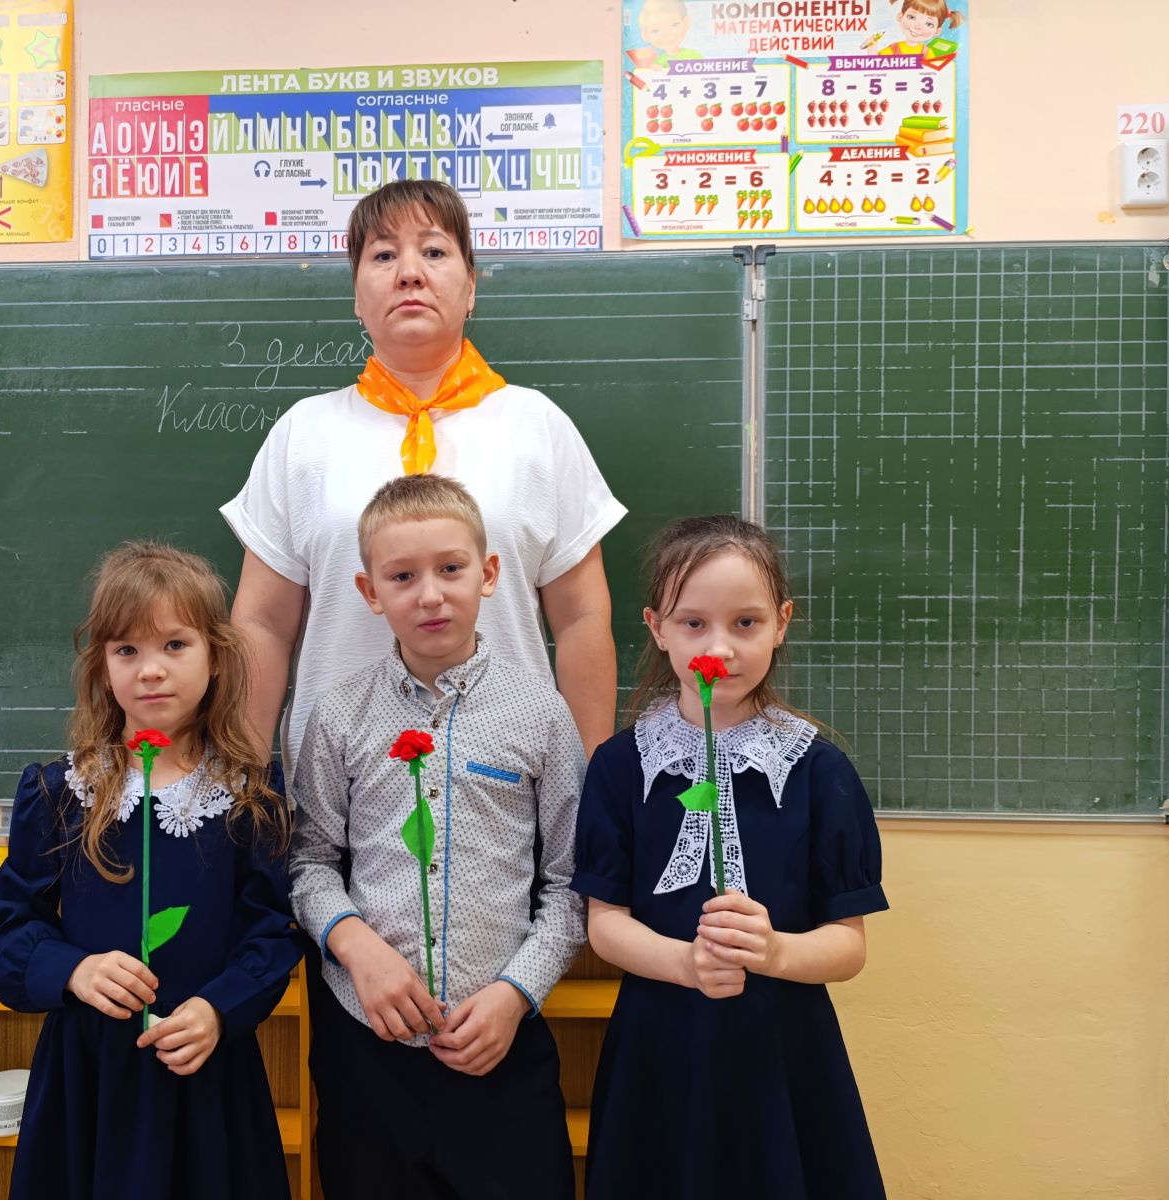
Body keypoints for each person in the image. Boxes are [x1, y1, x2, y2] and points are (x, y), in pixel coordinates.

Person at [222, 178, 624, 768]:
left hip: (510, 777)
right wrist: (244, 783)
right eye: (384, 255)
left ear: (471, 287)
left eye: (434, 251)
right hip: (340, 784)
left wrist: (590, 782)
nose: (410, 273)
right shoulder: (303, 433)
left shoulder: (537, 424)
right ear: (357, 296)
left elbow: (582, 619)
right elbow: (262, 624)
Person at [572, 515, 888, 1199]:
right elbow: (605, 922)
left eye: (746, 623)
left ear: (782, 623)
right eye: (694, 624)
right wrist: (685, 964)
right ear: (656, 627)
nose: (719, 647)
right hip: (661, 1050)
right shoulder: (620, 767)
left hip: (781, 1052)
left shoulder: (820, 772)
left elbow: (848, 945)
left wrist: (774, 951)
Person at [290, 474, 586, 1200]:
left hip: (501, 1044)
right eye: (402, 577)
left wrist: (515, 993)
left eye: (451, 568)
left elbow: (570, 884)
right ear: (370, 592)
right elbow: (309, 861)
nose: (429, 595)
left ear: (488, 574)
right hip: (368, 1046)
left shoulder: (541, 714)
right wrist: (358, 950)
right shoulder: (339, 714)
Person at [0, 541, 301, 1200]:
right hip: (91, 1082)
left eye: (175, 645)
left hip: (205, 1073)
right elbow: (9, 936)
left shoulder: (250, 795)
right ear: (103, 668)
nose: (151, 670)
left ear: (216, 656)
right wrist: (74, 969)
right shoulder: (59, 793)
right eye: (127, 649)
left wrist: (218, 1010)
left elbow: (272, 935)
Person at [878, 0, 963, 56]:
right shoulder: (893, 49)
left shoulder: (927, 52)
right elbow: (876, 62)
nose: (917, 27)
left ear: (937, 31)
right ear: (900, 17)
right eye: (911, 17)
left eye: (929, 24)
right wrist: (872, 48)